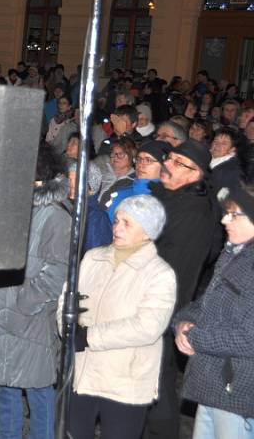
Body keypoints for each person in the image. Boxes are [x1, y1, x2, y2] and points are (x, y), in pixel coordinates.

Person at [63, 195, 177, 439]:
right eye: (117, 220)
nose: (116, 228)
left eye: (127, 223)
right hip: (83, 375)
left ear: (147, 232)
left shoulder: (159, 274)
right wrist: (67, 327)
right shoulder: (93, 258)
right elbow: (67, 298)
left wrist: (89, 337)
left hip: (125, 382)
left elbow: (147, 327)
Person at [0, 142, 71, 439]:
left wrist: (23, 303)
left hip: (31, 318)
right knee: (5, 387)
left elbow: (57, 272)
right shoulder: (12, 210)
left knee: (38, 390)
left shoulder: (56, 216)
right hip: (1, 310)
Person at [146, 140, 220, 438]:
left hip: (162, 304)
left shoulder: (194, 211)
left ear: (196, 174)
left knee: (158, 382)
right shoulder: (165, 195)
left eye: (178, 163)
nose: (168, 164)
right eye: (170, 158)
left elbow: (172, 264)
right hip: (149, 297)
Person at [174, 184, 254, 438]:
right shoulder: (233, 253)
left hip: (238, 394)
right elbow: (206, 303)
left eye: (234, 214)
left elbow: (248, 338)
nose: (224, 220)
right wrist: (183, 322)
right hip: (211, 386)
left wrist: (194, 336)